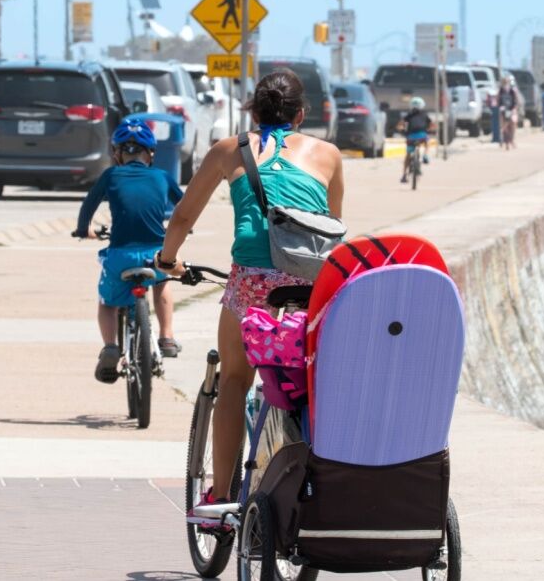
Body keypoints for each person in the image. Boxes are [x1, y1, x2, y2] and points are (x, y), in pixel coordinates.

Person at [154, 70, 344, 510]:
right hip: (310, 288)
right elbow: (331, 229)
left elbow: (182, 217)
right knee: (309, 382)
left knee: (235, 381)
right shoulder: (329, 155)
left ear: (252, 112)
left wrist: (167, 261)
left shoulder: (228, 151)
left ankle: (222, 496)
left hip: (252, 285)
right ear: (301, 114)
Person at [76, 117, 184, 383]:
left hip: (120, 255)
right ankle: (167, 336)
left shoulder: (111, 175)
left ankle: (111, 346)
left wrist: (83, 230)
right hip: (156, 254)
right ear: (152, 154)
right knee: (162, 281)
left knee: (108, 302)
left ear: (117, 154)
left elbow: (87, 208)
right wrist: (182, 228)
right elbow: (184, 206)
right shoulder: (162, 176)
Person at [399, 96, 433, 182]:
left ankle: (404, 175)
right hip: (422, 136)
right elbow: (432, 125)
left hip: (410, 137)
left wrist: (402, 130)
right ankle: (425, 155)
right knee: (427, 143)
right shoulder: (425, 115)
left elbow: (400, 125)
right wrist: (428, 130)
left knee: (408, 154)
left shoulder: (408, 115)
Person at [498, 76, 520, 150]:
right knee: (504, 127)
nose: (505, 83)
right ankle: (507, 142)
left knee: (513, 125)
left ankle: (511, 140)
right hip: (503, 111)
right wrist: (500, 107)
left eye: (507, 82)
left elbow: (516, 101)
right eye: (504, 82)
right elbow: (498, 100)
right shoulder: (501, 90)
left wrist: (514, 109)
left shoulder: (512, 90)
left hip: (511, 110)